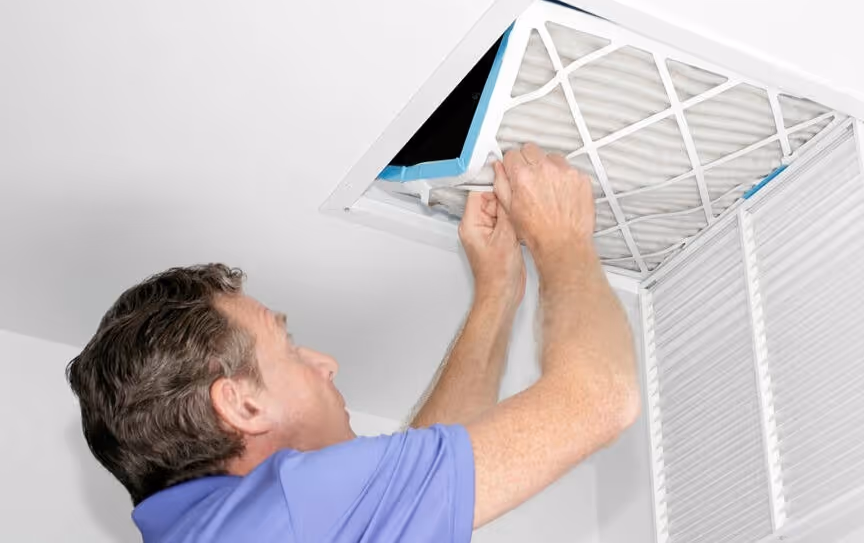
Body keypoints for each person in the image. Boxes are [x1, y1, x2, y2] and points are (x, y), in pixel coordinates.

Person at [66, 144, 640, 542]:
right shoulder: (293, 512)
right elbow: (600, 399)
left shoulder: (239, 525)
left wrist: (498, 292)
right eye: (288, 348)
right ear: (242, 403)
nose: (326, 364)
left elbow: (402, 493)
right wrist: (563, 241)